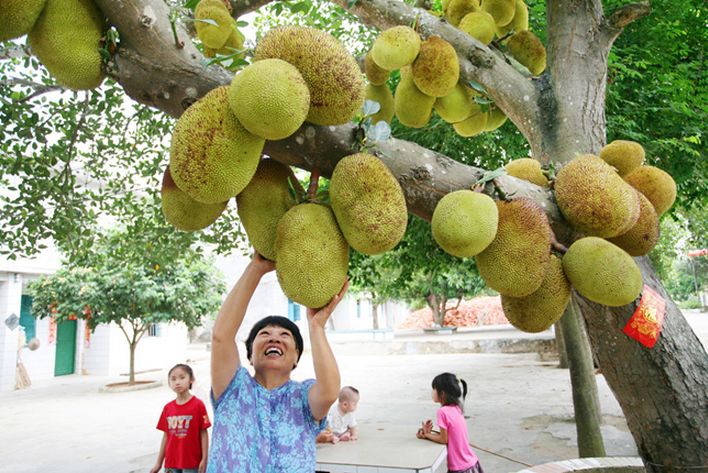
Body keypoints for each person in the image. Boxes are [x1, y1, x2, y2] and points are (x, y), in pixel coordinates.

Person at [207, 252, 348, 472]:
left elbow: (330, 392)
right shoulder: (234, 388)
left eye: (285, 335)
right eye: (264, 334)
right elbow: (221, 337)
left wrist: (316, 327)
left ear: (295, 358)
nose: (274, 337)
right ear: (250, 356)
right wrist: (257, 267)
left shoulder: (303, 395)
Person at [416, 372, 484, 473]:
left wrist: (426, 434)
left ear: (442, 393)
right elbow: (452, 434)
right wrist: (429, 434)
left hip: (460, 468)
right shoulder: (457, 408)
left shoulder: (442, 412)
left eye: (434, 389)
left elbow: (444, 439)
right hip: (472, 464)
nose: (432, 392)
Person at [150, 363, 211, 473]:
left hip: (192, 463)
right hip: (171, 463)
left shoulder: (198, 405)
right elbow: (166, 436)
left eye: (182, 378)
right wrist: (158, 463)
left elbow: (203, 433)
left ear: (191, 379)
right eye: (173, 379)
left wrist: (205, 459)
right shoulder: (167, 408)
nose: (177, 382)